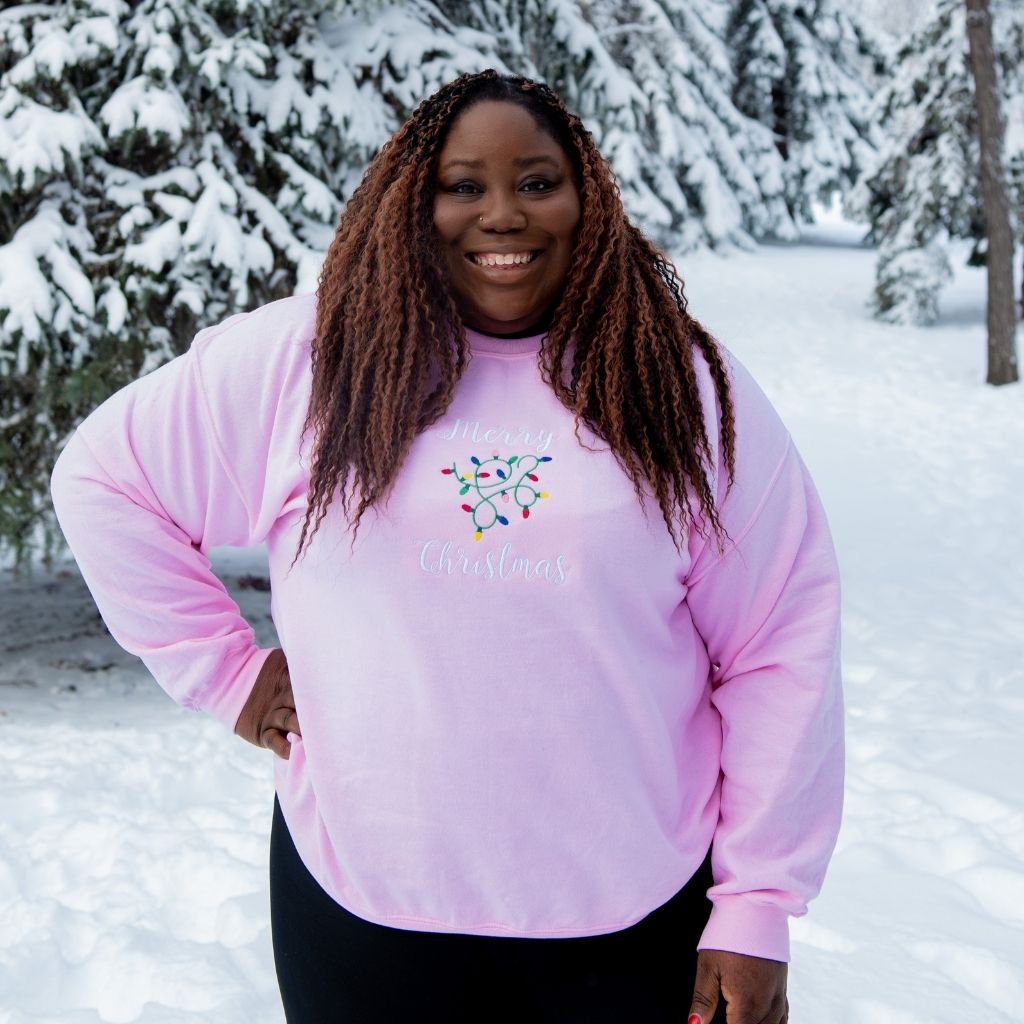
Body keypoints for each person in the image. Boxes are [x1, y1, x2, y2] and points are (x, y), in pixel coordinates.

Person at [51, 70, 843, 1023]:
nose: (501, 214)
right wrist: (225, 675)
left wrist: (757, 904)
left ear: (587, 198)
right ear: (409, 204)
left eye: (537, 181)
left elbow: (777, 645)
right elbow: (104, 479)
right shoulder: (310, 364)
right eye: (462, 185)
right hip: (361, 911)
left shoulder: (676, 387)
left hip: (630, 916)